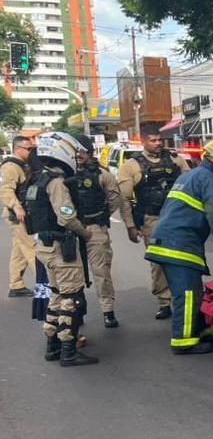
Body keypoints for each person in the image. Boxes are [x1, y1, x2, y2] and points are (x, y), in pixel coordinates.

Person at [144, 138, 213, 355]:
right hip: (179, 243)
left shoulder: (190, 176)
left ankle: (200, 332)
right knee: (186, 294)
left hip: (170, 240)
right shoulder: (209, 179)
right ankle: (184, 341)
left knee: (195, 292)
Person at [23, 132, 98, 367]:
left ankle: (52, 346)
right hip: (60, 247)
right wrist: (86, 233)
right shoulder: (56, 182)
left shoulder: (36, 179)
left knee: (56, 294)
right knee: (71, 297)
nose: (77, 159)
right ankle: (68, 350)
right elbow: (66, 217)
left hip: (44, 246)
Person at [118, 133, 190, 319]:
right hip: (151, 219)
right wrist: (130, 226)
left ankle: (183, 297)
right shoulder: (132, 165)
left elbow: (191, 184)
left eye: (160, 140)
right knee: (158, 261)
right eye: (153, 140)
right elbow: (124, 198)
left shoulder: (175, 160)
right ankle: (164, 302)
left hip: (177, 217)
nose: (158, 143)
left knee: (183, 258)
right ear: (143, 142)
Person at [72, 136, 126, 328]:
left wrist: (100, 217)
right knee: (72, 273)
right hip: (70, 230)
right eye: (75, 151)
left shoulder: (103, 175)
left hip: (94, 228)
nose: (79, 155)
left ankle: (107, 311)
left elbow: (114, 199)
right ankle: (75, 311)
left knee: (101, 272)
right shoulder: (63, 174)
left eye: (82, 151)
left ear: (89, 152)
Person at [1, 135, 37, 297]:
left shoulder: (23, 165)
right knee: (32, 248)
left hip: (23, 213)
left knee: (19, 250)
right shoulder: (10, 166)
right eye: (29, 149)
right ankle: (48, 285)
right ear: (18, 149)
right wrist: (17, 207)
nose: (31, 151)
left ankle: (16, 285)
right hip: (17, 215)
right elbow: (5, 190)